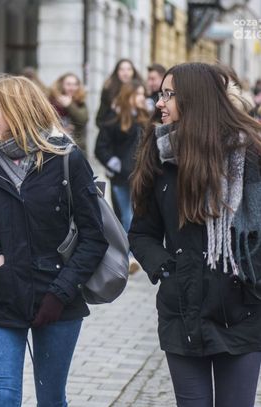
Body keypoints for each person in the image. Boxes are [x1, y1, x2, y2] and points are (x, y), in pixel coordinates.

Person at [0, 75, 109, 406]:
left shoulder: (67, 159)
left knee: (51, 399)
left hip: (57, 299)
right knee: (3, 399)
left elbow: (93, 237)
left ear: (18, 109)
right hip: (0, 297)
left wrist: (60, 293)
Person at [129, 62, 261, 407]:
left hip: (242, 310)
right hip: (182, 309)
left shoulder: (250, 153)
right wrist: (167, 269)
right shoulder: (158, 154)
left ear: (195, 98)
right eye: (161, 94)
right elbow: (141, 233)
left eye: (168, 94)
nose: (160, 102)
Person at [95, 80, 149, 233]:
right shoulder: (113, 117)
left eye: (143, 94)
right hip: (121, 177)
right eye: (138, 94)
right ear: (128, 95)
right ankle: (127, 247)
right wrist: (117, 165)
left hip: (141, 175)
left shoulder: (143, 115)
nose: (142, 97)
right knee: (126, 216)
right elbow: (100, 147)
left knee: (140, 215)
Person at [95, 58, 143, 128]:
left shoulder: (140, 89)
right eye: (122, 69)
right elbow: (100, 119)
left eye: (129, 69)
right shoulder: (109, 90)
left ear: (133, 72)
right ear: (117, 72)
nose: (125, 73)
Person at [49, 72, 89, 152]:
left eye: (75, 84)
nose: (72, 87)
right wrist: (60, 129)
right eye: (68, 84)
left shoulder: (80, 101)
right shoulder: (52, 101)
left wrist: (70, 105)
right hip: (56, 147)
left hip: (77, 146)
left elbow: (83, 119)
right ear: (61, 85)